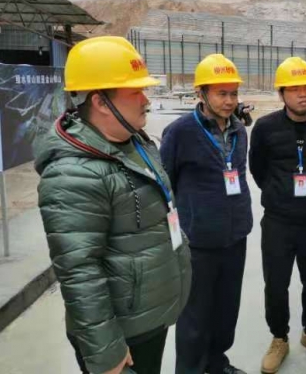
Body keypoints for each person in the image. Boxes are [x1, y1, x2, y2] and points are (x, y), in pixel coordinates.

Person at [35, 36, 192, 374]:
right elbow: (79, 271)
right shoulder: (72, 173)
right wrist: (107, 352)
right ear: (101, 102)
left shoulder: (136, 143)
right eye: (135, 91)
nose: (146, 99)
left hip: (147, 317)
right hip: (120, 335)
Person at [249, 57, 306, 374]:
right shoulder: (265, 128)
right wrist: (278, 194)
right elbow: (257, 168)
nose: (303, 94)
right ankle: (279, 338)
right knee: (276, 284)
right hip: (278, 221)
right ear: (281, 93)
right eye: (294, 89)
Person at [160, 54, 252, 374]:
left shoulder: (239, 130)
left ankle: (216, 363)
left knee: (226, 312)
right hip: (197, 242)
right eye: (221, 94)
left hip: (235, 236)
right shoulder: (179, 132)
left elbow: (239, 175)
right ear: (201, 93)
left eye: (233, 93)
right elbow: (165, 186)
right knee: (195, 318)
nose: (229, 101)